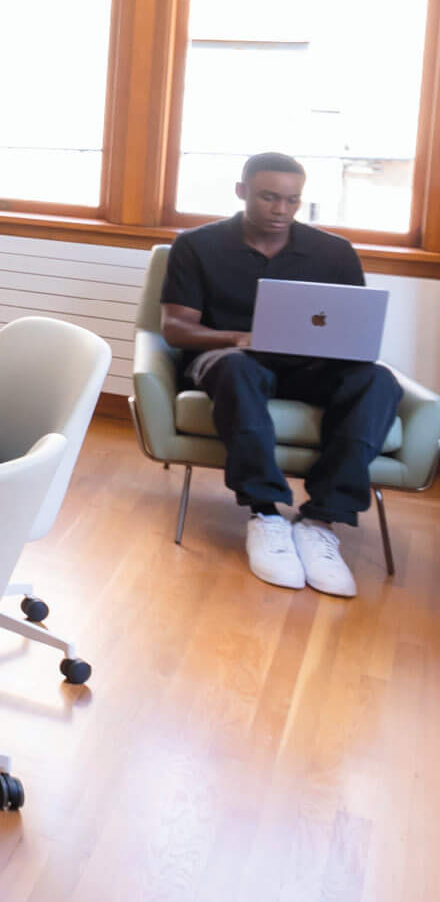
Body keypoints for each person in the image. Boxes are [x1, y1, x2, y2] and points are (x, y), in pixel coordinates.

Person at [159, 152, 398, 598]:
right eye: (270, 197)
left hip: (312, 367)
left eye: (292, 200)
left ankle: (322, 520)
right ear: (242, 191)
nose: (281, 210)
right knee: (235, 370)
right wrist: (242, 338)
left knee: (378, 381)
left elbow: (354, 328)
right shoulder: (196, 245)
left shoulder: (335, 252)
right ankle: (266, 513)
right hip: (231, 358)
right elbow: (175, 328)